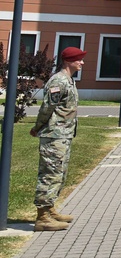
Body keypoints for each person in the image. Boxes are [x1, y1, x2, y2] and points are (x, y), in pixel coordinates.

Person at [30, 46, 84, 231]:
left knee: (60, 173)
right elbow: (47, 108)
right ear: (69, 61)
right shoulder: (58, 81)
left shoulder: (68, 80)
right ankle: (43, 217)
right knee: (50, 174)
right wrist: (37, 127)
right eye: (79, 59)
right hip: (53, 135)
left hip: (63, 135)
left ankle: (50, 209)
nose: (82, 62)